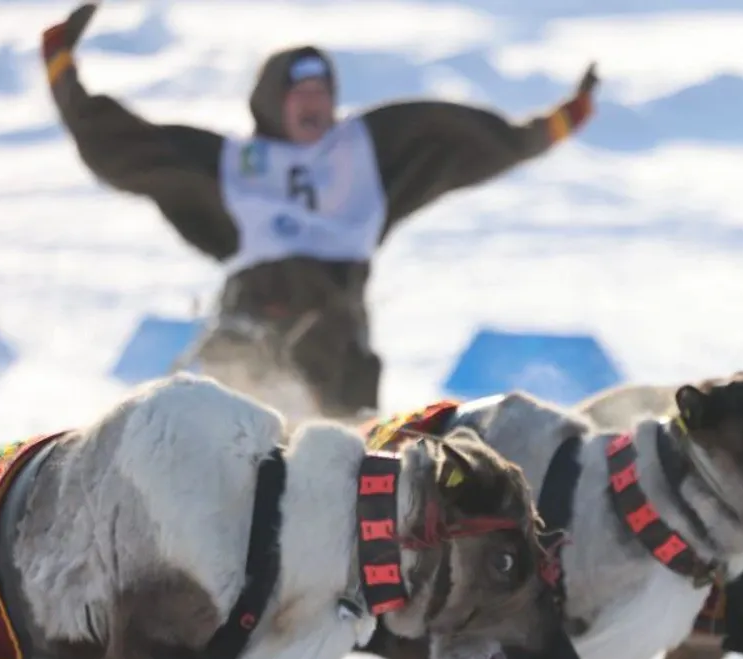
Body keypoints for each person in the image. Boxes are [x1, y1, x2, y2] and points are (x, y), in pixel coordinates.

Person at [40, 3, 601, 420]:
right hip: (251, 339)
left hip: (338, 350)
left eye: (322, 94)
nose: (313, 105)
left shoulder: (368, 153)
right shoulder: (233, 164)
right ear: (272, 102)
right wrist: (62, 71)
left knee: (339, 473)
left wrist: (552, 126)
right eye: (299, 95)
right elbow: (123, 145)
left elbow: (467, 141)